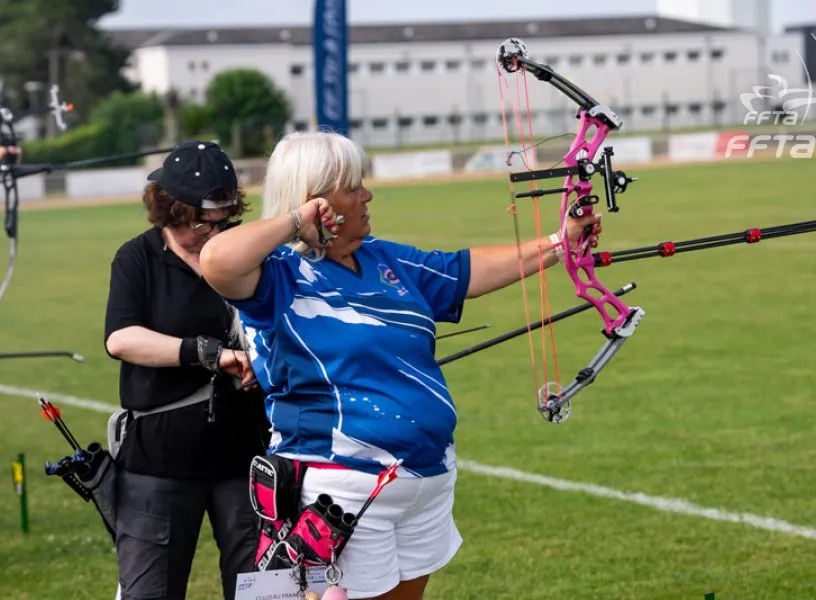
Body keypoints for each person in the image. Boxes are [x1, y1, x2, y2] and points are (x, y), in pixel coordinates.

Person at [198, 130, 601, 600]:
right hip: (342, 493)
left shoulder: (383, 258)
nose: (367, 195)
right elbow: (216, 261)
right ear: (318, 202)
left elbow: (462, 273)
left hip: (423, 478)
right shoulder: (278, 275)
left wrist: (562, 241)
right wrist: (295, 222)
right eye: (353, 186)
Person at [104, 140, 271, 600]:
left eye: (224, 220)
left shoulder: (246, 256)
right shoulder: (137, 259)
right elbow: (121, 338)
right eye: (200, 221)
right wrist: (210, 354)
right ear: (168, 210)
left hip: (245, 460)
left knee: (261, 592)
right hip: (156, 467)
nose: (213, 232)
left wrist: (266, 362)